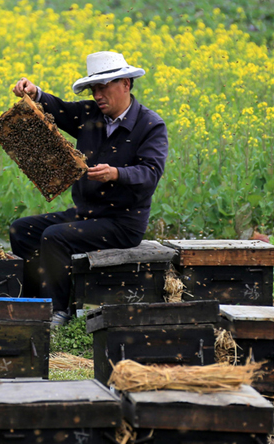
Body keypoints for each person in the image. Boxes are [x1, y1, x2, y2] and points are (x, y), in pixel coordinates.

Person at [9, 51, 169, 328]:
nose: (97, 95)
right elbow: (57, 109)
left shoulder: (151, 125)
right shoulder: (88, 114)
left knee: (55, 237)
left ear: (126, 84)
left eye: (103, 87)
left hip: (122, 222)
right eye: (94, 88)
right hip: (87, 214)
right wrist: (35, 94)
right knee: (22, 230)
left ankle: (59, 312)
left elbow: (150, 173)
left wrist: (116, 173)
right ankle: (39, 301)